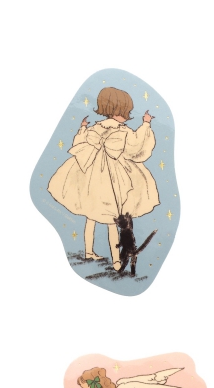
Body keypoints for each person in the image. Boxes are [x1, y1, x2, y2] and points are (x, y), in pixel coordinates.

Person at [48, 87, 159, 270]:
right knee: (111, 218)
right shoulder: (123, 131)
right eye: (126, 112)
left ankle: (89, 251)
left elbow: (80, 142)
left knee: (91, 214)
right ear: (118, 111)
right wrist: (146, 124)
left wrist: (83, 127)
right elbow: (137, 147)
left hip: (92, 173)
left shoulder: (97, 127)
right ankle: (116, 261)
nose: (128, 116)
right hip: (111, 175)